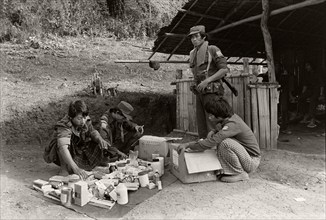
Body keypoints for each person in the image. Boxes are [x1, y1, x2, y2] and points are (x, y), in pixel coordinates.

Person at [177, 97, 261, 183]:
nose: (209, 117)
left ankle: (239, 173)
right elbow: (216, 133)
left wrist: (188, 145)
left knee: (225, 143)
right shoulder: (228, 119)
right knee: (217, 139)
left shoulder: (233, 124)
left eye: (211, 115)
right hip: (244, 156)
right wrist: (213, 132)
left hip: (251, 161)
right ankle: (229, 170)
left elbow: (211, 142)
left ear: (219, 115)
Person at [43, 100, 125, 180]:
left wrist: (100, 139)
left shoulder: (84, 119)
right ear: (72, 117)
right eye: (79, 118)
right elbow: (63, 148)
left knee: (98, 142)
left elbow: (92, 131)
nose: (83, 121)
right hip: (66, 151)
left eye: (84, 118)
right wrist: (76, 168)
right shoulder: (64, 125)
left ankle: (84, 166)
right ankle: (64, 169)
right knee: (61, 144)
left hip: (79, 148)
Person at [188, 25, 229, 138]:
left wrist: (207, 81)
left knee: (213, 121)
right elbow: (196, 72)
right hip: (200, 92)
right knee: (201, 123)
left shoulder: (213, 49)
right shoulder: (193, 53)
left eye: (196, 36)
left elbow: (223, 70)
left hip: (212, 93)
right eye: (192, 37)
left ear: (203, 37)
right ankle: (203, 147)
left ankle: (216, 148)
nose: (194, 39)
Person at [294, 62, 323, 128]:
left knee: (312, 100)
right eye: (306, 66)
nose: (306, 67)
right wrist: (302, 94)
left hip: (317, 90)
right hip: (310, 90)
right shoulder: (307, 74)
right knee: (301, 98)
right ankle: (304, 116)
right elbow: (305, 85)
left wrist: (321, 94)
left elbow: (321, 85)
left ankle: (312, 120)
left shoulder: (317, 73)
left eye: (308, 65)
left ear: (311, 66)